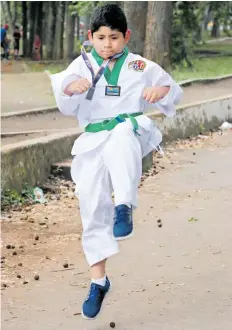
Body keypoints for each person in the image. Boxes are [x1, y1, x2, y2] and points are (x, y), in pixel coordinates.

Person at [50, 4, 183, 320]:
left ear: (127, 37)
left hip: (126, 128)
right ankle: (99, 281)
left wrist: (157, 91)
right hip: (93, 140)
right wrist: (72, 87)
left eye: (114, 37)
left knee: (122, 136)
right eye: (101, 37)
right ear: (90, 37)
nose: (107, 44)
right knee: (91, 203)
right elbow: (63, 92)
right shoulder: (81, 65)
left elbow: (171, 91)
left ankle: (125, 205)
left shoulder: (138, 66)